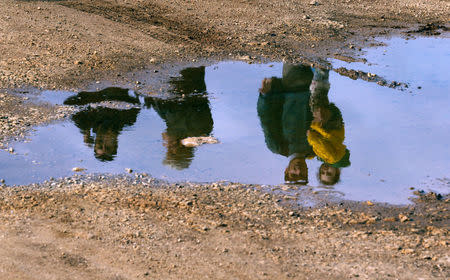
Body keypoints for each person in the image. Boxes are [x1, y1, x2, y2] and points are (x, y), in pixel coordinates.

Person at [145, 66, 214, 170]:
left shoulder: (190, 130)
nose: (165, 145)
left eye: (168, 149)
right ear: (178, 150)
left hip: (178, 75)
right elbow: (176, 110)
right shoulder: (197, 129)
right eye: (169, 149)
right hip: (184, 74)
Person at [257, 64, 315, 184]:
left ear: (286, 171)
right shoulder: (316, 149)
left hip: (291, 86)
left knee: (297, 49)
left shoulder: (278, 147)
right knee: (323, 50)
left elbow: (266, 119)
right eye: (303, 175)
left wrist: (264, 97)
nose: (298, 171)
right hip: (315, 85)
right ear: (307, 172)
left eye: (294, 175)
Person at [65, 87, 141, 161]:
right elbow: (136, 102)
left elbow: (68, 104)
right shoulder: (128, 120)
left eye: (100, 142)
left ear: (95, 140)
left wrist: (85, 131)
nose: (104, 141)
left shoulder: (87, 122)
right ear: (115, 143)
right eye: (107, 146)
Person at [307, 68, 350, 185]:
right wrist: (310, 137)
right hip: (326, 127)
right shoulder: (332, 158)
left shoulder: (333, 156)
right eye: (329, 173)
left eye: (322, 173)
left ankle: (317, 70)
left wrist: (309, 155)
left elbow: (321, 148)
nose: (325, 171)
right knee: (317, 99)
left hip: (335, 126)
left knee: (319, 98)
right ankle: (321, 71)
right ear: (337, 171)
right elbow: (319, 144)